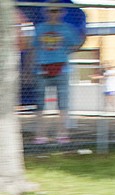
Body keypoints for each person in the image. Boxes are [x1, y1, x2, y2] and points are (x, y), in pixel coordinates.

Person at [30, 6, 83, 145]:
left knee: (63, 104)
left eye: (56, 11)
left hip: (62, 69)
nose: (53, 14)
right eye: (50, 11)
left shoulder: (67, 29)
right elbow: (33, 47)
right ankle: (40, 135)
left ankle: (62, 134)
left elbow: (76, 45)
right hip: (42, 69)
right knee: (40, 105)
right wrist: (30, 68)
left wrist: (75, 46)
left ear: (62, 12)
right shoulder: (40, 28)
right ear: (45, 12)